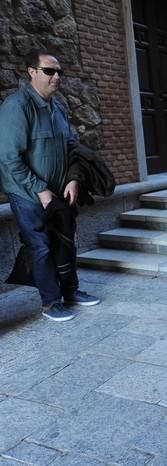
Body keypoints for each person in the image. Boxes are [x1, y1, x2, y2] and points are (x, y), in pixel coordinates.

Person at [0, 51, 100, 322]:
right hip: (28, 194)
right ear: (31, 72)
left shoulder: (57, 108)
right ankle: (51, 302)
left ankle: (71, 292)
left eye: (59, 73)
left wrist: (73, 178)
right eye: (49, 71)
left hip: (60, 190)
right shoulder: (17, 106)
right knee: (41, 246)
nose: (56, 77)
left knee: (65, 242)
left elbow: (70, 148)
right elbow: (9, 157)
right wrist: (41, 190)